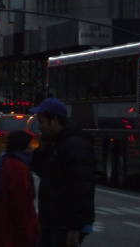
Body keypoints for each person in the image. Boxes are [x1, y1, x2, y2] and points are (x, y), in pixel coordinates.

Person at [30, 98, 95, 247]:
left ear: (54, 120)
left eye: (42, 122)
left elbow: (82, 188)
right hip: (52, 220)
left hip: (64, 224)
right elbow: (41, 170)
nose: (40, 127)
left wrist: (75, 227)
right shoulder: (55, 142)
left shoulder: (74, 144)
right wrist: (43, 147)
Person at [0, 130, 39, 247]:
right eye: (30, 145)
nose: (32, 149)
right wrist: (27, 227)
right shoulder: (17, 166)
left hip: (6, 220)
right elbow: (20, 200)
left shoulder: (8, 161)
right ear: (23, 146)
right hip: (13, 225)